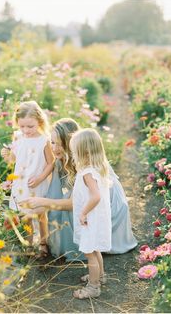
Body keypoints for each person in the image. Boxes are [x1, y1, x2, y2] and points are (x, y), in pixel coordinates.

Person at [20, 118, 137, 261]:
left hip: (107, 207)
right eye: (52, 142)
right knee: (57, 210)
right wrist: (36, 204)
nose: (55, 148)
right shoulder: (60, 161)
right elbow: (53, 195)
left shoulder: (85, 163)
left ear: (71, 144)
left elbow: (78, 202)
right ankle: (76, 244)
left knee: (69, 211)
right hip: (90, 203)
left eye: (60, 144)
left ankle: (90, 247)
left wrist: (42, 202)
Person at [1, 101, 54, 256]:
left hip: (38, 182)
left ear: (40, 122)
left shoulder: (44, 140)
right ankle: (29, 244)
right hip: (21, 183)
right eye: (22, 126)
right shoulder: (18, 136)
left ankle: (43, 243)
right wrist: (6, 156)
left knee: (40, 214)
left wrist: (40, 178)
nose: (26, 130)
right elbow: (13, 159)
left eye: (30, 126)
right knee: (25, 216)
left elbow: (51, 163)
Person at [69, 128, 111, 299]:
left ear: (83, 152)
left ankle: (93, 287)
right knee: (95, 249)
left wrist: (83, 213)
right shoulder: (97, 168)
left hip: (90, 218)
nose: (72, 154)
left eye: (74, 151)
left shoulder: (87, 172)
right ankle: (100, 276)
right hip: (97, 217)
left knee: (90, 254)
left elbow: (96, 196)